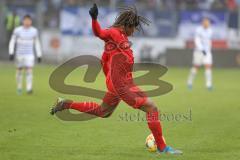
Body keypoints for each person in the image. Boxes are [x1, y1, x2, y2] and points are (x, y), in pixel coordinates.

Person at [50, 4, 182, 155]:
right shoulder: (113, 33)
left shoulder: (122, 36)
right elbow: (98, 32)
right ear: (127, 25)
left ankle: (67, 104)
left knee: (103, 112)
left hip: (122, 82)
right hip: (121, 84)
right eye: (133, 28)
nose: (133, 32)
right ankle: (162, 147)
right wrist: (94, 19)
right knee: (151, 108)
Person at [9, 15, 42, 94]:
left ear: (31, 21)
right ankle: (19, 87)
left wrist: (39, 54)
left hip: (29, 54)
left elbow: (37, 42)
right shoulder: (17, 30)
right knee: (19, 71)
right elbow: (12, 41)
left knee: (29, 70)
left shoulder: (34, 31)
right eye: (26, 20)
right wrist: (11, 52)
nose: (27, 22)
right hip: (19, 54)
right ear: (23, 21)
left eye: (29, 20)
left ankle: (29, 89)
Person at [187, 17, 213, 90]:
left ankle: (209, 85)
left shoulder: (210, 30)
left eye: (208, 22)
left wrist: (208, 50)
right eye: (205, 22)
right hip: (198, 52)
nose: (207, 23)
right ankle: (190, 82)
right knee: (196, 67)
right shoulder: (199, 30)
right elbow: (197, 40)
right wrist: (202, 49)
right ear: (202, 23)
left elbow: (209, 41)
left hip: (207, 52)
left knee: (208, 66)